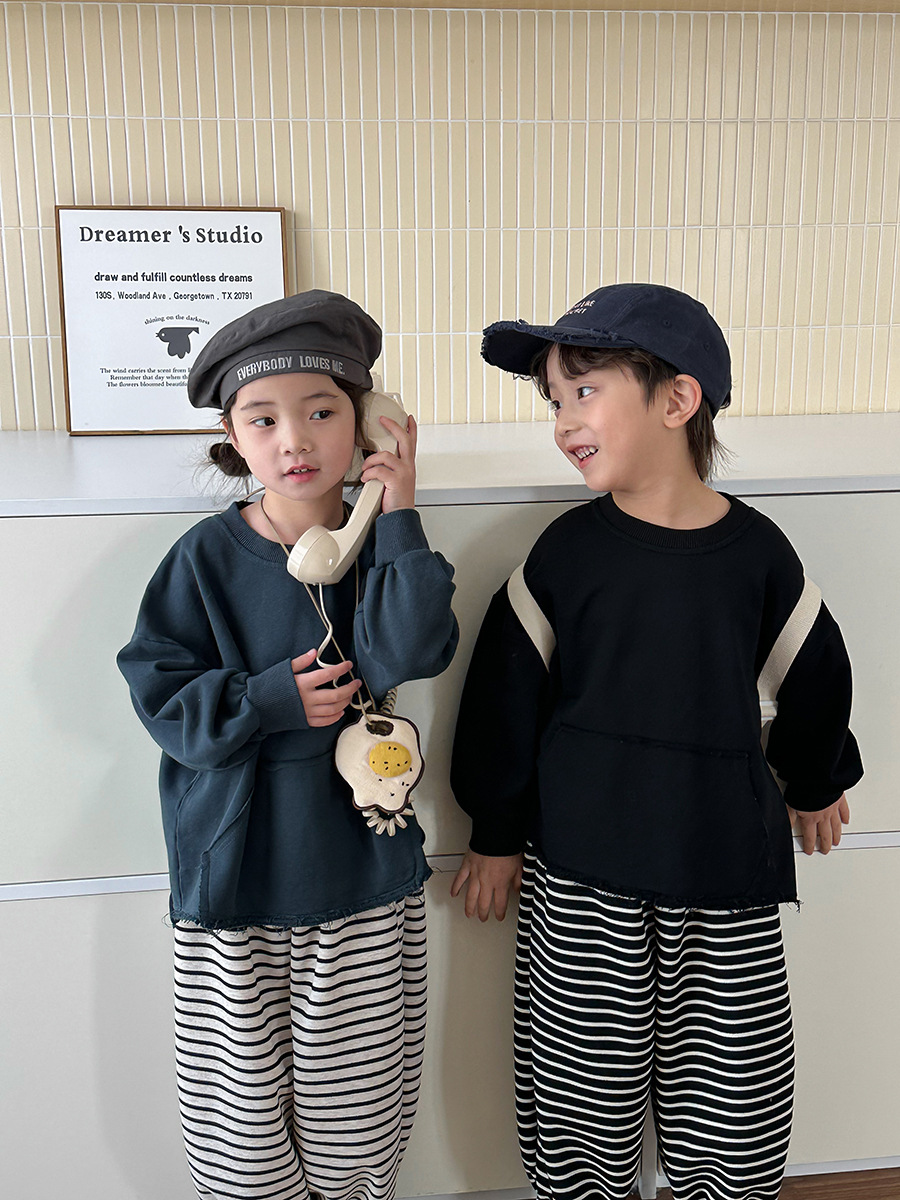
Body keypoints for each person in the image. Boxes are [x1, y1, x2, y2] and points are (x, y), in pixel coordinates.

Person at [449, 283, 862, 1200]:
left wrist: (813, 781)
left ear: (677, 401)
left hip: (724, 875)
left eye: (584, 392)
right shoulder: (565, 554)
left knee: (735, 1093)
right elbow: (503, 696)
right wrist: (495, 832)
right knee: (578, 1089)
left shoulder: (758, 554)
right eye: (554, 400)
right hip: (582, 877)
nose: (564, 421)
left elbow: (815, 673)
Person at [118, 290, 458, 1200]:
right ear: (234, 437)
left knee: (359, 1131)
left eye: (322, 412)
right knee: (242, 1146)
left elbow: (413, 647)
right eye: (263, 419)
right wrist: (268, 701)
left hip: (360, 879)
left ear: (368, 424)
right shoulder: (203, 560)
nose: (295, 440)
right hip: (237, 885)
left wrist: (399, 508)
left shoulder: (385, 544)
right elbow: (160, 694)